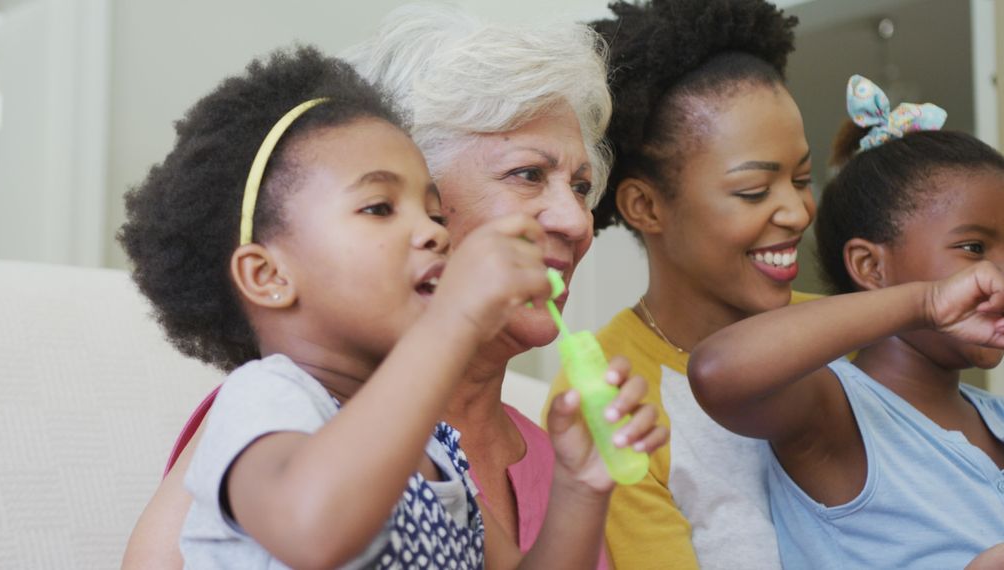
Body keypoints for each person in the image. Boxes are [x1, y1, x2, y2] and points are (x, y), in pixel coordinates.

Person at [118, 46, 665, 568]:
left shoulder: (434, 448)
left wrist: (579, 486)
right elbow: (314, 529)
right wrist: (455, 316)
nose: (431, 233)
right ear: (268, 276)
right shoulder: (267, 403)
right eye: (380, 208)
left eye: (432, 211)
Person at [688, 75, 1004, 569]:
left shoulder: (996, 418)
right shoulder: (837, 411)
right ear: (871, 268)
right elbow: (716, 370)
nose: (997, 272)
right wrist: (925, 302)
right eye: (974, 248)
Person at [542, 1, 814, 567]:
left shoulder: (847, 340)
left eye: (803, 179)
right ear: (644, 206)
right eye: (754, 192)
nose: (796, 211)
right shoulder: (607, 395)